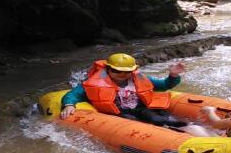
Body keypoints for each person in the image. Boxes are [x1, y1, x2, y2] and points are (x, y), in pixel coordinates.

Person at [60, 53, 202, 132]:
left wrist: (173, 75)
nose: (122, 74)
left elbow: (164, 85)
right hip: (119, 112)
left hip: (140, 109)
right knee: (133, 122)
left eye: (127, 72)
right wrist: (69, 105)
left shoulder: (139, 79)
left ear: (133, 71)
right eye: (117, 71)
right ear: (108, 69)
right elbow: (73, 94)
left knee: (156, 118)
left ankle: (188, 128)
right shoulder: (94, 83)